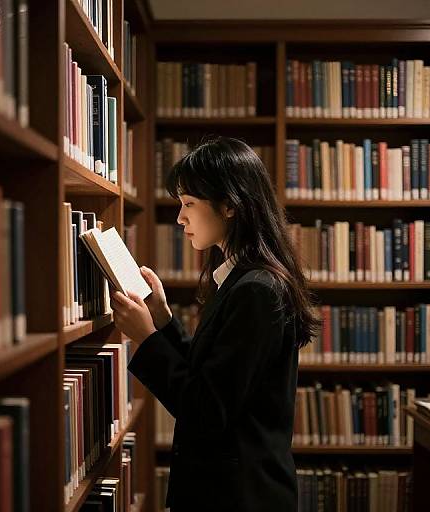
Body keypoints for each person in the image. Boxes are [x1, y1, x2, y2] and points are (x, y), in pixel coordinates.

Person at [110, 136, 319, 512]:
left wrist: (145, 338)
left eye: (189, 204)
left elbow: (207, 410)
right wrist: (164, 322)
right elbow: (215, 374)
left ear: (229, 206)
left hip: (239, 497)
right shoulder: (243, 280)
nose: (180, 218)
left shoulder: (256, 289)